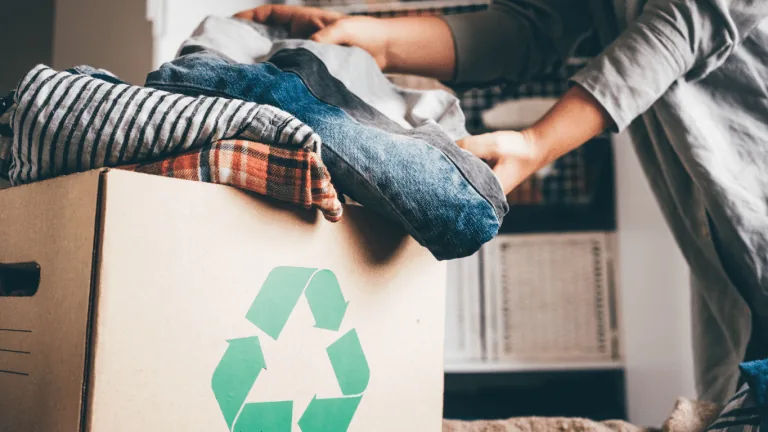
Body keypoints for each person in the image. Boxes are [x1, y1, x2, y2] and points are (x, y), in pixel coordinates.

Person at [235, 1, 768, 403]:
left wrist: (538, 144)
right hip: (726, 268)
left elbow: (693, 18)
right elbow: (537, 26)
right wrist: (382, 41)